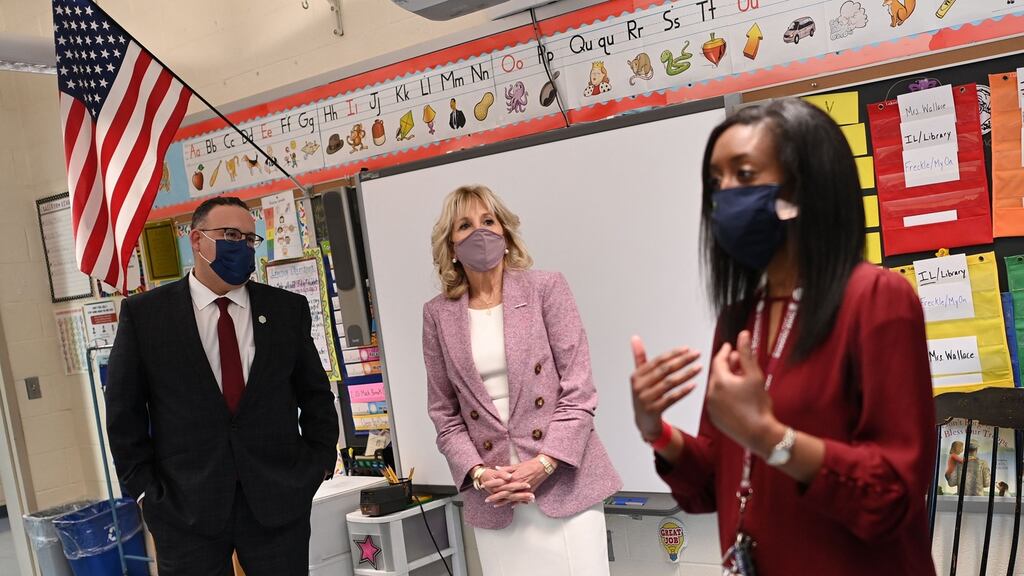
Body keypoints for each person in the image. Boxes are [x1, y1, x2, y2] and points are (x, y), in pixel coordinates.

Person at [629, 99, 936, 574]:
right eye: (716, 181)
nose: (723, 194)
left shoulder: (877, 298)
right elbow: (721, 479)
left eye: (745, 174)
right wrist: (657, 431)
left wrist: (771, 436)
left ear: (803, 188)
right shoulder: (739, 318)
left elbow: (892, 494)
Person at [106, 196, 339, 576]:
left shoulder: (285, 310)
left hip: (277, 501)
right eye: (230, 234)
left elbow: (316, 396)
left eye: (249, 239)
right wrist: (146, 492)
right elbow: (123, 414)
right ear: (196, 241)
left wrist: (318, 465)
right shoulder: (147, 316)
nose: (242, 246)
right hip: (185, 508)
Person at [422, 185, 621, 576]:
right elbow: (444, 414)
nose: (480, 232)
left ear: (506, 233)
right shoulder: (437, 315)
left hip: (564, 483)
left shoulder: (546, 288)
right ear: (451, 246)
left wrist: (543, 464)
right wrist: (481, 475)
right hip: (495, 496)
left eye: (488, 221)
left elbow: (579, 392)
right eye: (465, 225)